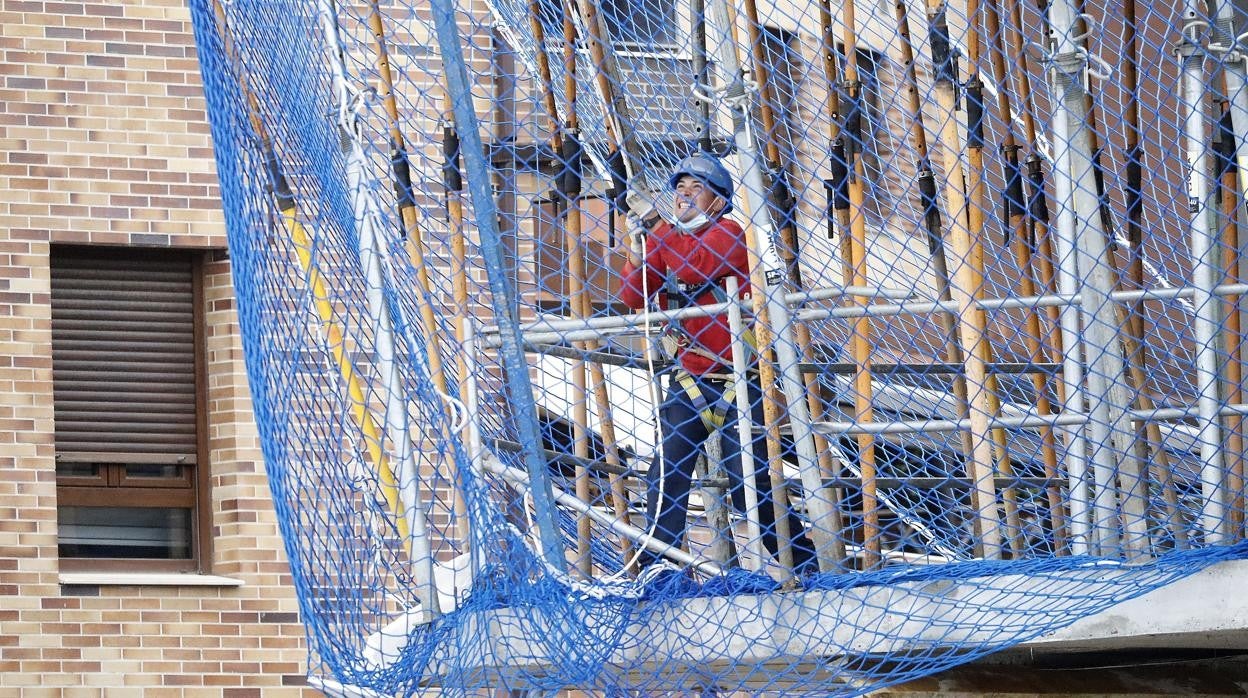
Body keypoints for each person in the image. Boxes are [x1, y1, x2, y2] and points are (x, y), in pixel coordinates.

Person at [618, 153, 819, 577]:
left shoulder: (730, 235)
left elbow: (698, 263)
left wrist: (657, 228)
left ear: (717, 201)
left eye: (696, 189)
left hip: (739, 382)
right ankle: (661, 571)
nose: (684, 196)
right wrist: (637, 252)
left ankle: (802, 565)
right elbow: (633, 298)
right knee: (666, 476)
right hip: (690, 380)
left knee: (751, 487)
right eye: (680, 189)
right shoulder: (666, 242)